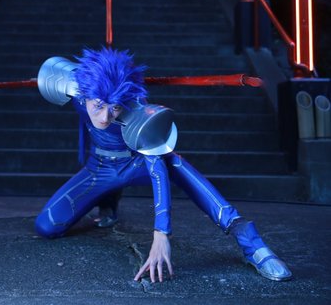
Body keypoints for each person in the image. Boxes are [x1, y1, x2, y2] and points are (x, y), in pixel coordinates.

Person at [35, 47, 292, 283]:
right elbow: (58, 70)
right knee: (47, 226)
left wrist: (161, 233)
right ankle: (108, 201)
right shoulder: (76, 84)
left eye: (114, 108)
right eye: (99, 106)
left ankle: (250, 241)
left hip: (136, 164)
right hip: (99, 168)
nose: (104, 117)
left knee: (172, 161)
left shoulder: (135, 107)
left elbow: (156, 170)